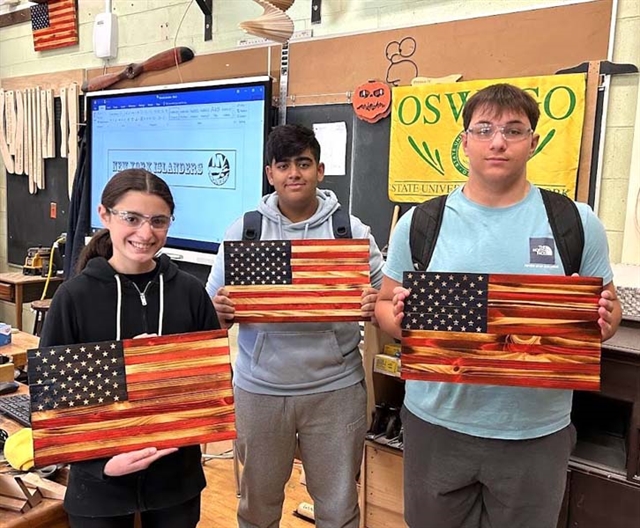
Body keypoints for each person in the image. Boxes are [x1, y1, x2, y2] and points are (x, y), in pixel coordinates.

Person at [375, 83, 622, 528]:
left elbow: (609, 309)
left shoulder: (575, 222)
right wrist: (397, 319)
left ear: (534, 141)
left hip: (535, 433)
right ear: (464, 140)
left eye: (513, 130)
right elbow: (384, 305)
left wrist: (602, 322)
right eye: (484, 129)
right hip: (437, 424)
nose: (498, 141)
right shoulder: (421, 223)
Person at [206, 124, 384, 527]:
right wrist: (219, 312)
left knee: (338, 510)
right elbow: (210, 312)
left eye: (303, 163)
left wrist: (376, 303)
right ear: (270, 173)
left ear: (320, 170)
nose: (294, 174)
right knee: (257, 508)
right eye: (283, 165)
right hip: (259, 392)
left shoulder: (349, 232)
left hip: (335, 391)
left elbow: (387, 299)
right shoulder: (246, 232)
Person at [40, 168, 220, 528]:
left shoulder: (188, 293)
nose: (145, 233)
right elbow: (52, 399)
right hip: (98, 488)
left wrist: (166, 367)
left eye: (158, 221)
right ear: (105, 215)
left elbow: (214, 386)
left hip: (176, 483)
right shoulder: (74, 297)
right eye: (131, 218)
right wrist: (100, 465)